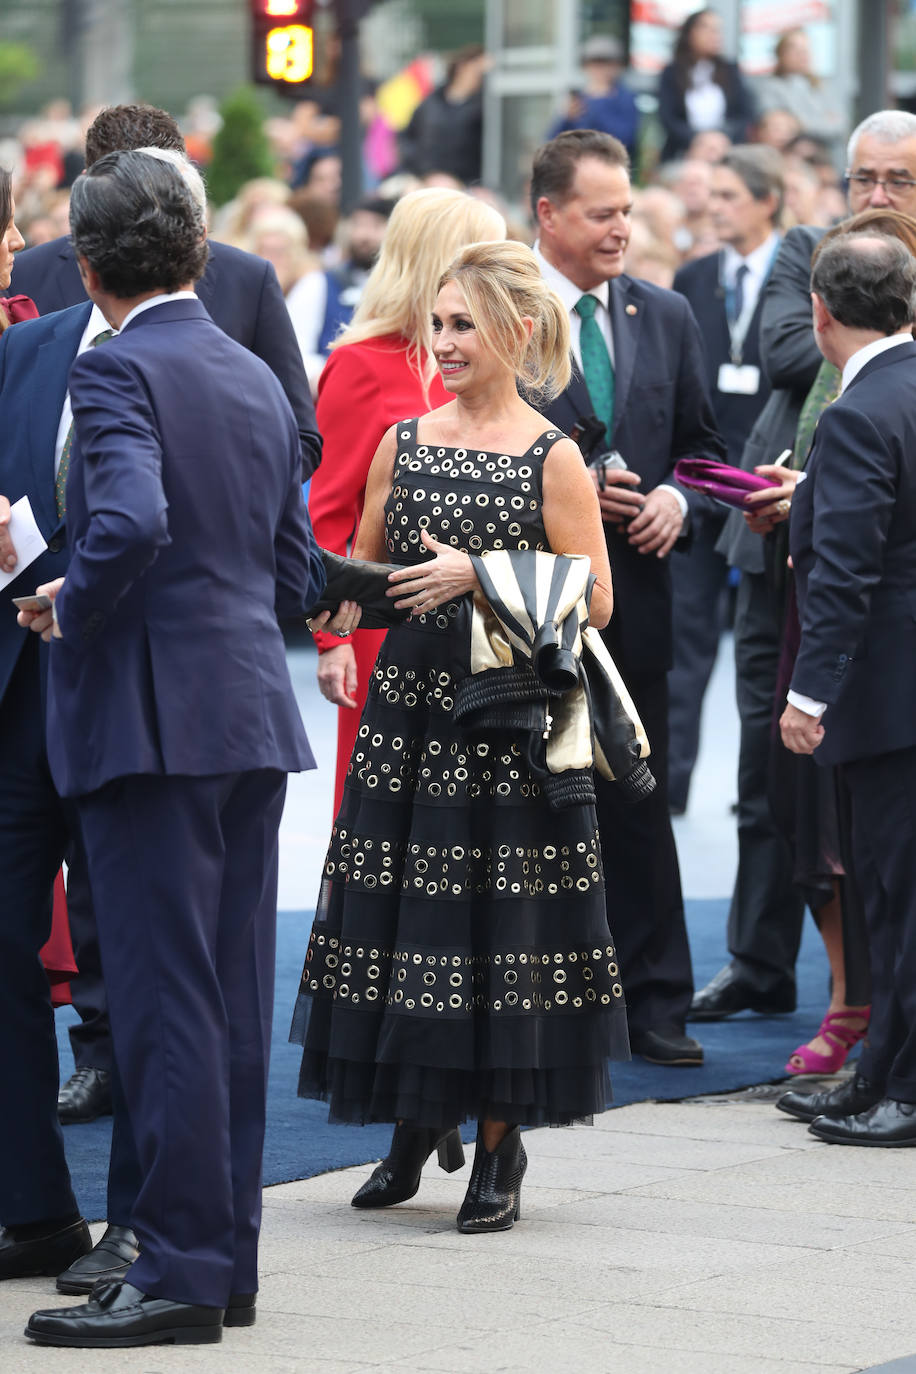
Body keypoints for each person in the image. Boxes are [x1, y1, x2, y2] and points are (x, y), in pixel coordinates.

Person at [20, 148, 323, 1347]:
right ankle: (224, 1259)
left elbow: (132, 519)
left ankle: (186, 1269)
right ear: (198, 252)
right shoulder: (251, 373)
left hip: (148, 723)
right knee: (231, 1002)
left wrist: (65, 600)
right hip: (248, 709)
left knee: (163, 1004)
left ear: (87, 266)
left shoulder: (117, 370)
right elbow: (291, 566)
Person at [291, 238, 628, 1229]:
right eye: (438, 324)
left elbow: (600, 601)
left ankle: (497, 1146)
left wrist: (479, 574)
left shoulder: (554, 454)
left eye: (461, 325)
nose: (440, 343)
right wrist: (330, 621)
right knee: (404, 919)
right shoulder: (405, 437)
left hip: (516, 720)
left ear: (516, 332)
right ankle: (409, 1120)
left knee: (500, 931)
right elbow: (366, 570)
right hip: (410, 710)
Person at [692, 108, 916, 1024]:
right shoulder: (803, 248)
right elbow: (789, 350)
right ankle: (762, 963)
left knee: (880, 814)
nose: (875, 198)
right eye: (863, 179)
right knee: (772, 778)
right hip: (776, 550)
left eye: (897, 183)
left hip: (877, 571)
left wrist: (821, 488)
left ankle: (863, 1016)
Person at [530, 129, 726, 1066]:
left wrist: (678, 499)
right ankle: (552, 1004)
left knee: (639, 805)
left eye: (627, 210)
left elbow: (703, 447)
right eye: (603, 213)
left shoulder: (666, 313)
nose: (622, 229)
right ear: (549, 215)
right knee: (536, 805)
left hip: (636, 609)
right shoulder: (497, 312)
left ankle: (655, 1001)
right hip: (525, 609)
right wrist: (567, 497)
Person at [776, 233, 916, 1148]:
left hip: (889, 693)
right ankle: (880, 1074)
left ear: (821, 312)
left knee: (896, 897)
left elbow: (847, 570)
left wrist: (809, 694)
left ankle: (902, 1089)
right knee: (894, 895)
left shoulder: (861, 410)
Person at [310, 188, 506, 813]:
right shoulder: (361, 365)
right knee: (384, 817)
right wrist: (331, 640)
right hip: (391, 627)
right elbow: (326, 516)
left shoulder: (495, 363)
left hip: (492, 624)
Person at [668, 146, 783, 815]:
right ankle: (672, 789)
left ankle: (762, 793)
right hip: (703, 484)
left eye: (730, 196)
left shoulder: (798, 280)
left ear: (768, 200)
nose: (716, 208)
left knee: (764, 647)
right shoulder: (693, 275)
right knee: (685, 645)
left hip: (770, 487)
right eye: (712, 196)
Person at [657, 9, 756, 164]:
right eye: (707, 29)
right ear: (690, 33)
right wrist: (697, 141)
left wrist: (721, 139)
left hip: (726, 150)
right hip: (683, 151)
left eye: (717, 30)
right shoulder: (672, 72)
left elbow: (744, 113)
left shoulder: (730, 70)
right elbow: (668, 117)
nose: (714, 35)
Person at [399, 45, 489, 186]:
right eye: (479, 72)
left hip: (466, 184)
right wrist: (420, 173)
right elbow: (408, 139)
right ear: (463, 67)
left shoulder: (484, 107)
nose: (482, 78)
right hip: (424, 179)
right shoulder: (430, 103)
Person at [755, 28, 845, 166]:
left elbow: (839, 126)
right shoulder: (770, 88)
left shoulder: (824, 87)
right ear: (781, 54)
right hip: (792, 162)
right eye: (796, 50)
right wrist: (823, 121)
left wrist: (801, 123)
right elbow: (781, 128)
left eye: (806, 50)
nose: (803, 55)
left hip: (831, 163)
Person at [547, 35, 640, 164]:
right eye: (594, 63)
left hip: (612, 167)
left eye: (605, 63)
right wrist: (565, 118)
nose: (599, 70)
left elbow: (625, 139)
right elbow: (551, 142)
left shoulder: (625, 98)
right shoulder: (579, 98)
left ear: (617, 66)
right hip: (578, 167)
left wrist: (598, 102)